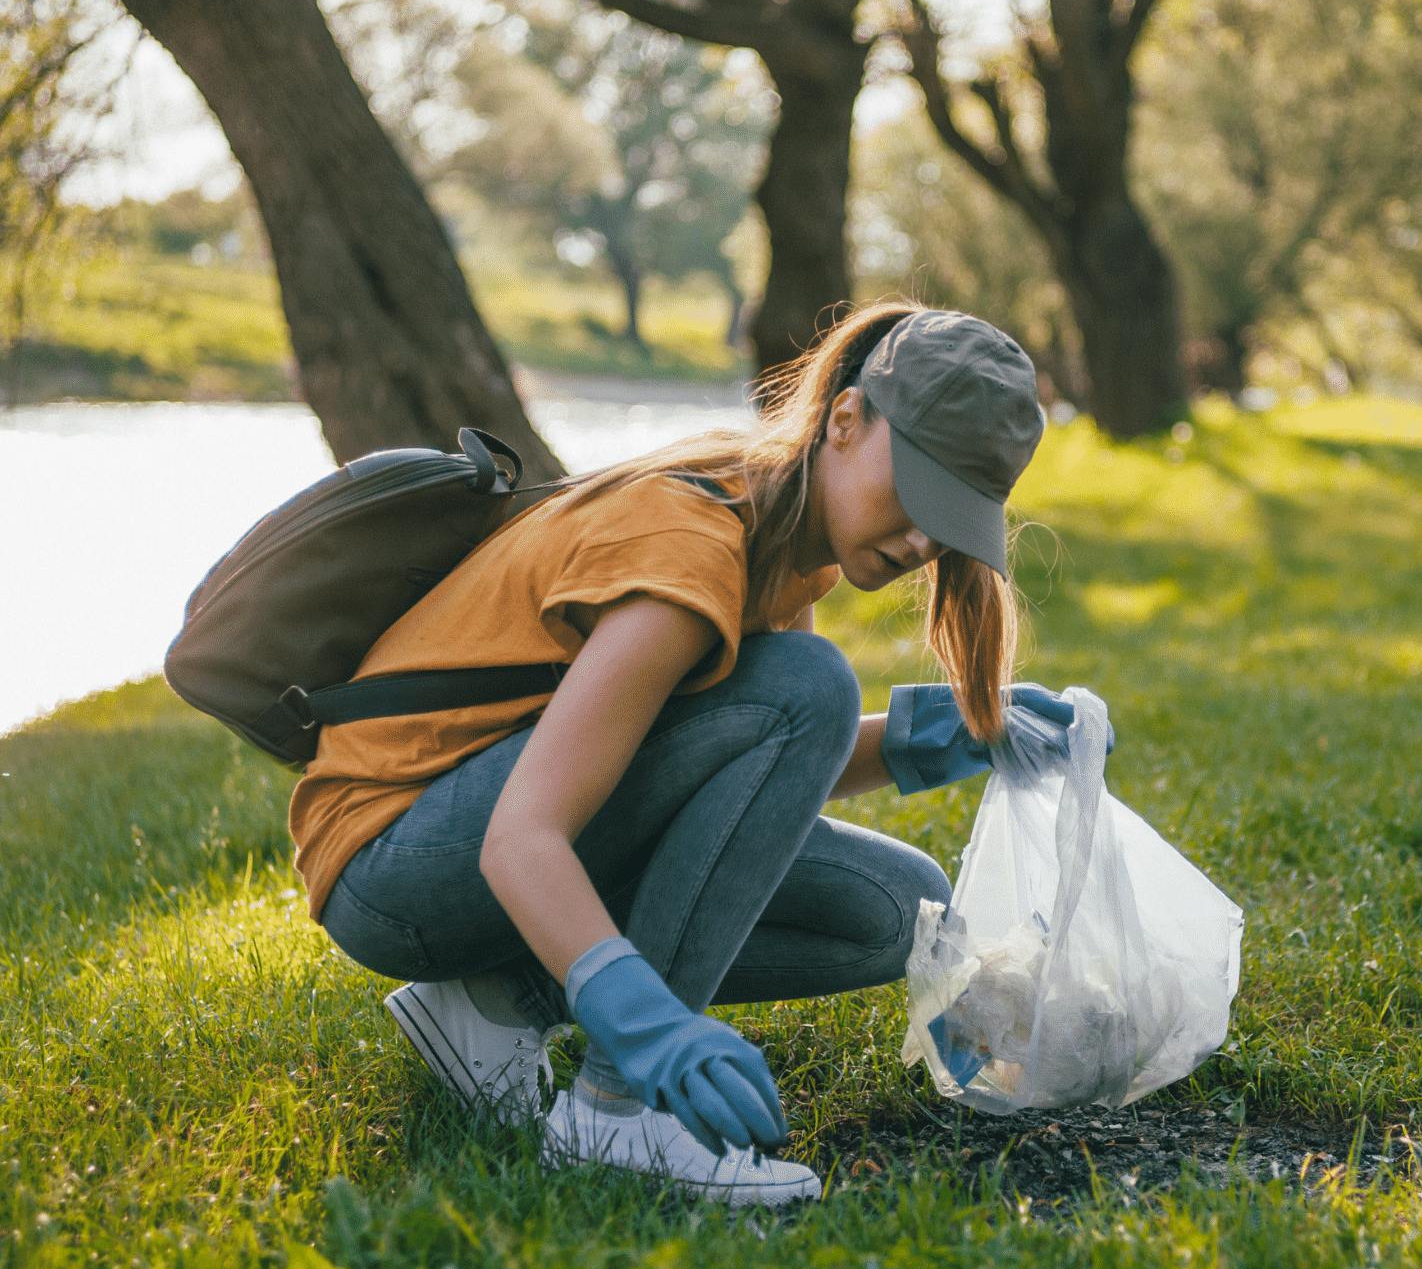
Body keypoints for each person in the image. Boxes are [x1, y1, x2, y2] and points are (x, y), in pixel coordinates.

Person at [288, 300, 1110, 1206]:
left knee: (893, 909)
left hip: (465, 831)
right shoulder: (693, 546)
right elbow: (521, 836)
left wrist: (933, 740)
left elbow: (742, 768)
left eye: (953, 519)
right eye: (917, 490)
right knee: (811, 684)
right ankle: (619, 1114)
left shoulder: (784, 531)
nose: (923, 541)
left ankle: (494, 1004)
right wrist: (643, 1031)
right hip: (396, 863)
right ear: (845, 420)